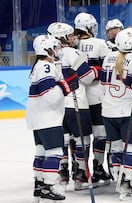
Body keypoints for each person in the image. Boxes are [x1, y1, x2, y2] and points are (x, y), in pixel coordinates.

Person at [27, 34, 79, 202]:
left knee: (41, 152)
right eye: (55, 47)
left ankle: (40, 185)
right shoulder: (45, 67)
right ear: (47, 49)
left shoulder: (39, 66)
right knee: (55, 152)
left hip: (39, 118)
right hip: (48, 118)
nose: (58, 50)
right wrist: (67, 85)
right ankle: (49, 187)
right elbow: (49, 96)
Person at [100, 27, 132, 200]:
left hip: (108, 111)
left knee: (115, 147)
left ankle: (119, 179)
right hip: (127, 111)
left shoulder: (108, 57)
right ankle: (127, 182)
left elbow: (101, 84)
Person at [47, 22, 96, 190]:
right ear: (62, 38)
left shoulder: (49, 57)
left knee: (64, 139)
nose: (73, 37)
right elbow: (87, 77)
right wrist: (96, 71)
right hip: (77, 104)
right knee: (82, 140)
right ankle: (81, 174)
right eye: (69, 36)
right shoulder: (76, 53)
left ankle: (62, 174)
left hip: (58, 104)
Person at [74, 12, 112, 187]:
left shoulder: (72, 44)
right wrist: (95, 71)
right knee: (100, 134)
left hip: (78, 98)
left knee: (81, 137)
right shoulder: (100, 44)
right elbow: (105, 71)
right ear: (91, 27)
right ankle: (97, 168)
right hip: (97, 96)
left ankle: (79, 171)